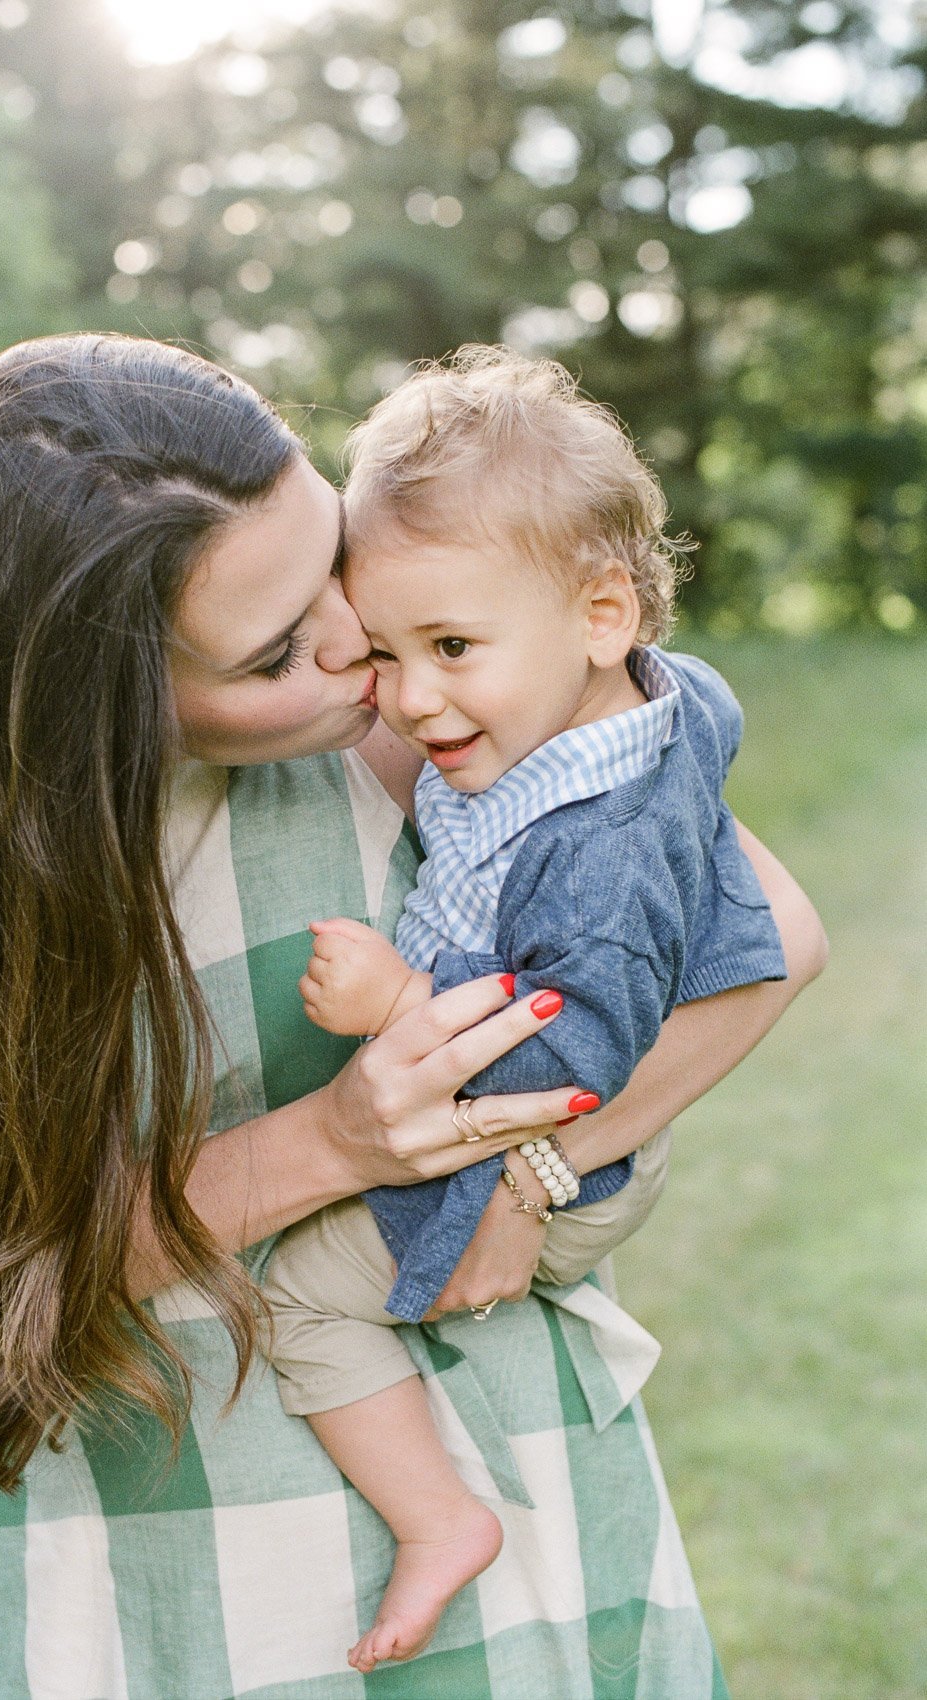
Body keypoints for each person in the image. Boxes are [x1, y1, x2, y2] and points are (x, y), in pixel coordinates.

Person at [0, 334, 826, 1700]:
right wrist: (335, 1144)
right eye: (280, 645)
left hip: (497, 1471)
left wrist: (530, 1172)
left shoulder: (415, 712)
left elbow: (774, 944)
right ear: (93, 706)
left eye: (328, 557)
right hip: (179, 1547)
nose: (359, 650)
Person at [261, 348, 793, 1673]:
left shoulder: (597, 852)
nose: (412, 696)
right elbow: (707, 707)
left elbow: (571, 1060)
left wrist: (397, 1004)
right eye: (383, 651)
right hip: (557, 1128)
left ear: (603, 615)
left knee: (297, 1299)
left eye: (450, 647)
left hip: (559, 1148)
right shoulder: (624, 707)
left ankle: (438, 1519)